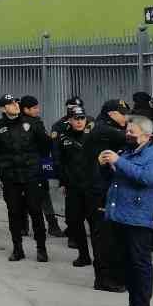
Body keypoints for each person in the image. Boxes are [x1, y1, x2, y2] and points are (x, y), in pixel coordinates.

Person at [101, 115, 153, 306]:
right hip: (119, 214)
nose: (127, 135)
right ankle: (132, 304)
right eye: (127, 131)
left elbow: (147, 178)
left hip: (139, 217)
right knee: (126, 262)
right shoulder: (127, 152)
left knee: (140, 264)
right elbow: (115, 179)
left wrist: (118, 161)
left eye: (132, 132)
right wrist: (105, 165)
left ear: (146, 136)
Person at [0, 94, 48, 262]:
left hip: (31, 176)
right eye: (10, 104)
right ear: (2, 108)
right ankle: (17, 249)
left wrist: (33, 162)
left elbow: (44, 145)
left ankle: (41, 249)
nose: (15, 105)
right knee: (14, 213)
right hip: (11, 177)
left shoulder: (32, 123)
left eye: (15, 102)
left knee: (36, 211)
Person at [82, 101, 130, 292]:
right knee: (104, 237)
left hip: (106, 188)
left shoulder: (103, 127)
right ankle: (104, 279)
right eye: (122, 114)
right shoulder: (103, 129)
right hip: (99, 191)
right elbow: (130, 138)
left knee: (113, 236)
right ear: (111, 114)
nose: (125, 118)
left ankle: (115, 276)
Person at [55, 105, 94, 265]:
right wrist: (63, 182)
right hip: (73, 187)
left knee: (95, 223)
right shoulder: (63, 138)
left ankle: (101, 257)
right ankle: (83, 255)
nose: (79, 122)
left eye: (82, 118)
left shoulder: (93, 136)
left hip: (92, 187)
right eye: (76, 119)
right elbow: (59, 162)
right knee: (74, 221)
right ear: (69, 120)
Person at [23, 96, 63, 237]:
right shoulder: (34, 123)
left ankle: (24, 227)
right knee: (43, 196)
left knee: (29, 196)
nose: (37, 110)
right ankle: (52, 225)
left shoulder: (26, 122)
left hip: (28, 166)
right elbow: (45, 142)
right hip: (35, 165)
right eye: (34, 108)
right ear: (26, 109)